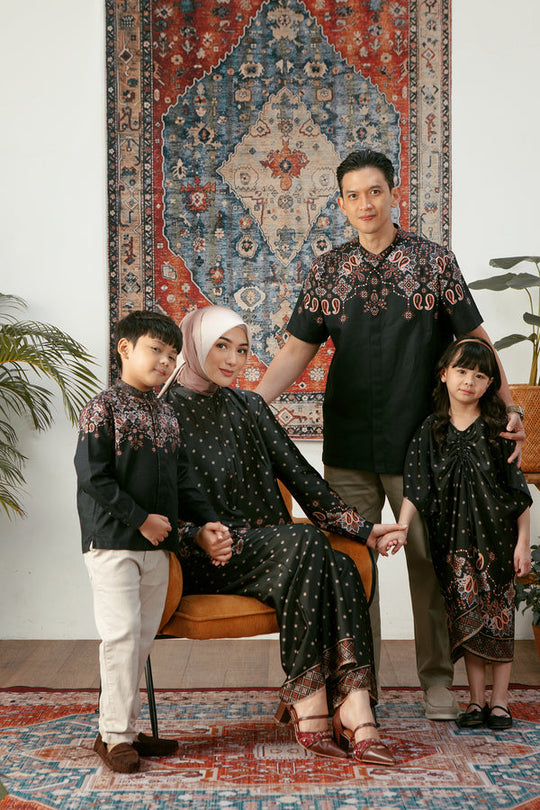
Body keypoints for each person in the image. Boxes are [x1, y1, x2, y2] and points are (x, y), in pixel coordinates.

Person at [255, 148, 525, 721]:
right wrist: (250, 404)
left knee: (429, 564)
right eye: (353, 195)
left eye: (374, 191)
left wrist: (510, 408)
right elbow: (297, 350)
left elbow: (474, 340)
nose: (365, 204)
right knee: (354, 569)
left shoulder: (434, 262)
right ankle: (362, 687)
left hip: (423, 446)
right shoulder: (327, 269)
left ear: (393, 193)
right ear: (340, 203)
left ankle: (437, 684)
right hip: (349, 442)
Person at [161, 304, 405, 766]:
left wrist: (365, 530)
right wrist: (196, 536)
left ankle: (353, 707)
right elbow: (154, 509)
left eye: (242, 350)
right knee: (307, 542)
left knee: (340, 563)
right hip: (207, 556)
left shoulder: (249, 406)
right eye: (221, 346)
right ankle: (312, 703)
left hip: (275, 553)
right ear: (194, 344)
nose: (233, 359)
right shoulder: (162, 415)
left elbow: (303, 479)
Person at [74, 310, 228, 773]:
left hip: (157, 548)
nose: (165, 361)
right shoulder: (102, 408)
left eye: (172, 355)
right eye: (156, 350)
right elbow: (92, 477)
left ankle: (119, 728)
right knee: (121, 636)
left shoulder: (166, 413)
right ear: (125, 349)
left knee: (140, 640)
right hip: (113, 543)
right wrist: (141, 520)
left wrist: (209, 520)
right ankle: (115, 737)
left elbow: (182, 477)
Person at [378, 336, 532, 730]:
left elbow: (518, 492)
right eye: (462, 371)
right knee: (467, 622)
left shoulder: (498, 430)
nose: (469, 381)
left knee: (499, 619)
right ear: (444, 373)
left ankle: (500, 701)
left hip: (497, 542)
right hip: (453, 545)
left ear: (490, 383)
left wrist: (522, 544)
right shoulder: (431, 430)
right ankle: (476, 700)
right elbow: (416, 487)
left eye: (480, 375)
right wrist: (402, 528)